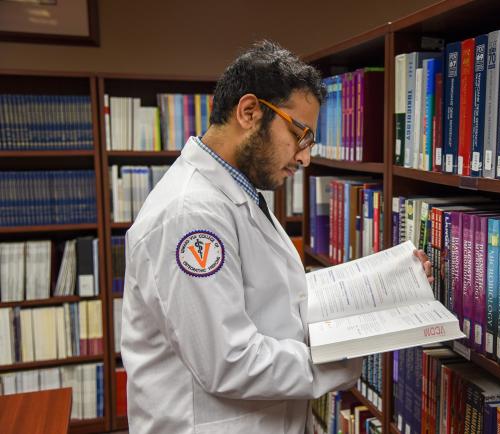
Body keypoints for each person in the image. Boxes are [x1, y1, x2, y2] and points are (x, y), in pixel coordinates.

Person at [121, 40, 432, 434]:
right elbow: (230, 362)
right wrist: (342, 357)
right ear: (250, 112)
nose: (305, 157)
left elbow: (276, 298)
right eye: (300, 134)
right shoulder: (189, 215)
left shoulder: (239, 193)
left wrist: (386, 283)